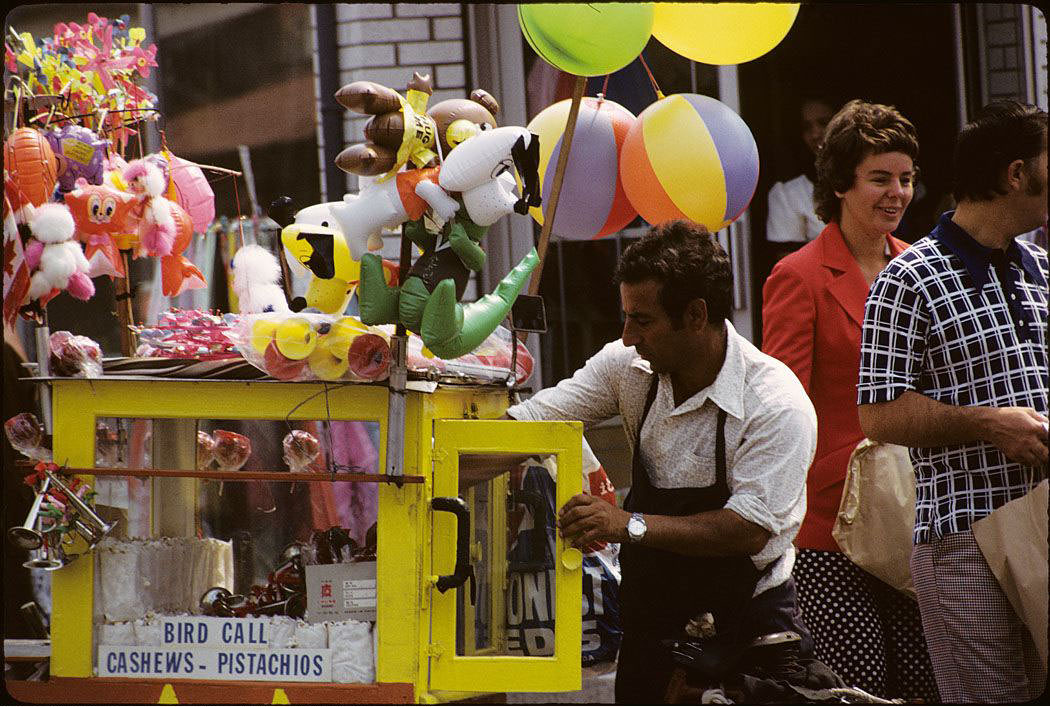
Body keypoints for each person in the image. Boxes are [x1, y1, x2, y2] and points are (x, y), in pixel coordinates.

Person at [506, 220, 818, 703]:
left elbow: (747, 529)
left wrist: (625, 524)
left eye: (643, 320)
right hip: (653, 625)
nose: (628, 336)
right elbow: (527, 425)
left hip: (750, 632)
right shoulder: (628, 369)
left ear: (696, 314)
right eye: (626, 317)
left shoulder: (774, 403)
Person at [857, 100, 1048, 703]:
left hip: (1043, 526)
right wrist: (990, 425)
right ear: (1015, 174)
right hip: (961, 542)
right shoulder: (908, 277)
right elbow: (877, 412)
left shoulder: (1041, 268)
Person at [761, 99, 938, 701]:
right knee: (857, 691)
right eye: (880, 178)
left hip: (917, 512)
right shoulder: (799, 275)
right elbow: (782, 408)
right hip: (830, 525)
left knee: (924, 685)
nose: (897, 192)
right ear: (840, 183)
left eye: (907, 179)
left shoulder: (919, 268)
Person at [765, 97, 836, 257]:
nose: (815, 134)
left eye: (824, 123)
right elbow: (789, 268)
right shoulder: (788, 193)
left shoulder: (868, 181)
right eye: (806, 127)